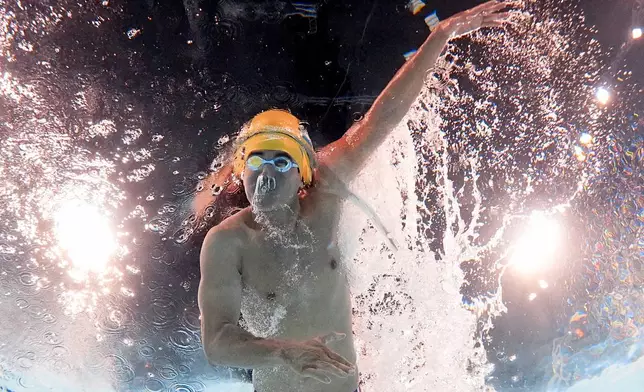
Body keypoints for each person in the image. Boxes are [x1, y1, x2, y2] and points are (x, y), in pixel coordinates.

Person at [197, 2, 514, 391]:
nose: (265, 174)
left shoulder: (327, 193)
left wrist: (439, 36)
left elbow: (383, 118)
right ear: (240, 168)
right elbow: (216, 342)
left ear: (302, 174)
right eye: (256, 161)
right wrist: (285, 352)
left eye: (281, 162)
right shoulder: (227, 242)